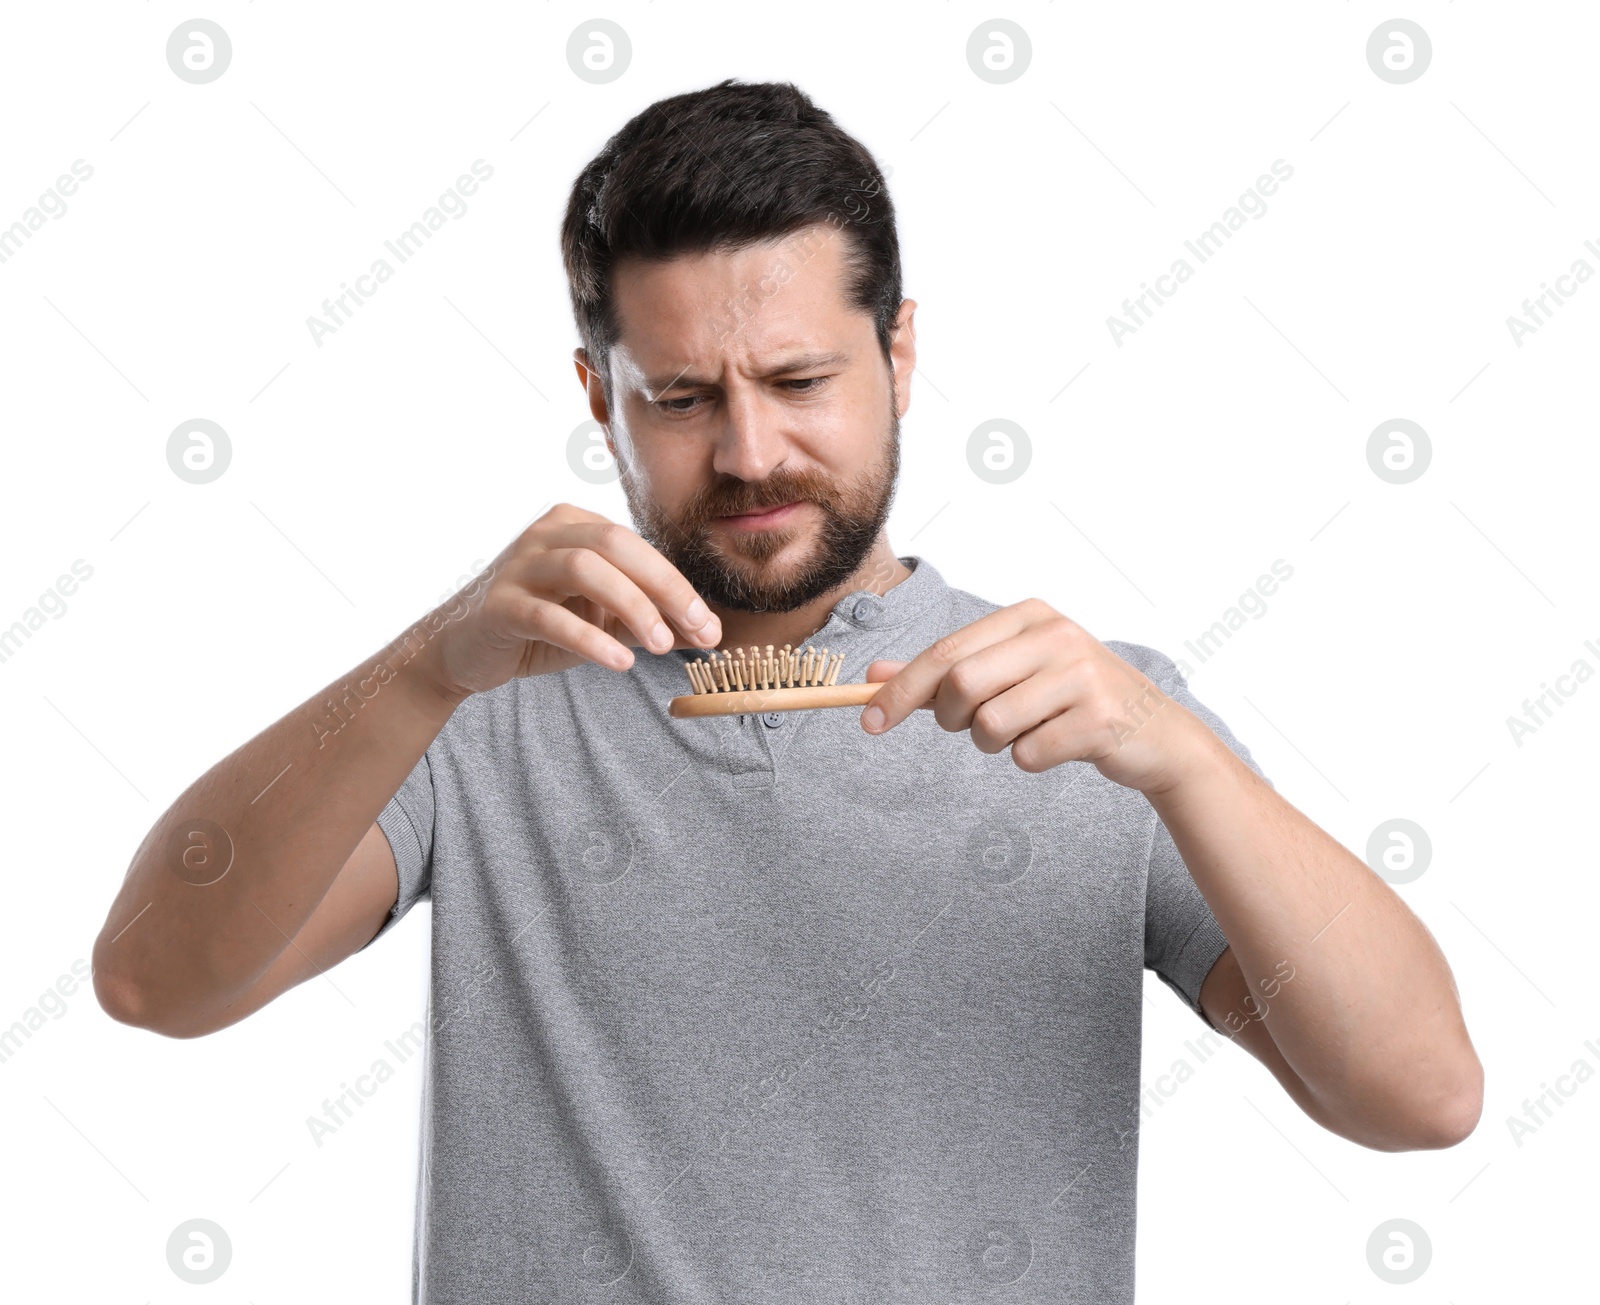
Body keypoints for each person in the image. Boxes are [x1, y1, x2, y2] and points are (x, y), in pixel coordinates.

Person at [93, 78, 1482, 1302]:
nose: (751, 450)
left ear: (902, 353)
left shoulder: (1096, 720)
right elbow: (154, 978)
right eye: (682, 396)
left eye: (802, 377)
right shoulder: (484, 706)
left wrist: (1181, 755)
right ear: (600, 399)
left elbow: (1422, 1095)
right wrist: (422, 667)